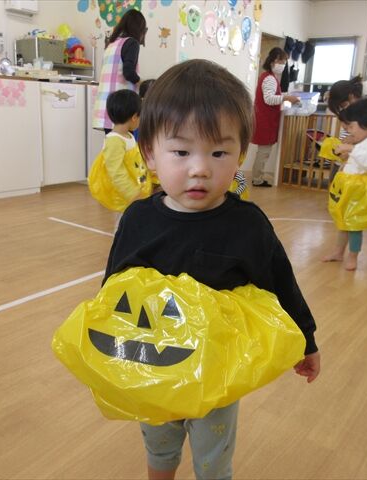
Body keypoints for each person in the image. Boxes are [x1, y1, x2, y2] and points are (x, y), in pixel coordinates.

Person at [105, 59, 320, 480]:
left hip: (217, 371)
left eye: (219, 152)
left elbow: (281, 284)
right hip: (155, 363)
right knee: (158, 446)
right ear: (150, 154)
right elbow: (114, 288)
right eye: (181, 152)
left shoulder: (248, 225)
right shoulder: (137, 220)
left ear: (241, 154)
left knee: (213, 460)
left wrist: (306, 341)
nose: (200, 167)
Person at [323, 97, 367, 271]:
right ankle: (338, 252)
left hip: (360, 191)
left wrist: (351, 149)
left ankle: (353, 257)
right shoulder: (364, 141)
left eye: (352, 126)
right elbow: (358, 160)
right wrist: (347, 154)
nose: (349, 130)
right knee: (343, 222)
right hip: (351, 187)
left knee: (354, 225)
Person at [88, 89, 149, 217]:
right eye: (140, 116)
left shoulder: (128, 136)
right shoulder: (114, 140)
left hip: (135, 190)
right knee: (124, 222)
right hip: (124, 195)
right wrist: (131, 193)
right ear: (134, 117)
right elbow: (115, 171)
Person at [250, 47, 300, 187]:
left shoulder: (267, 76)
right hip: (265, 120)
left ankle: (257, 176)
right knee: (264, 152)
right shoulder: (270, 79)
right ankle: (257, 179)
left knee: (263, 151)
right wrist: (286, 98)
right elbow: (269, 99)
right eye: (280, 61)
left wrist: (284, 96)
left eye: (284, 62)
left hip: (264, 118)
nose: (282, 64)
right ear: (272, 61)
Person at [92, 9, 148, 133]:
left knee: (112, 142)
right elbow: (128, 72)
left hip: (107, 107)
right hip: (123, 108)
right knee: (124, 143)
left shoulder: (111, 44)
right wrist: (142, 83)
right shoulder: (132, 43)